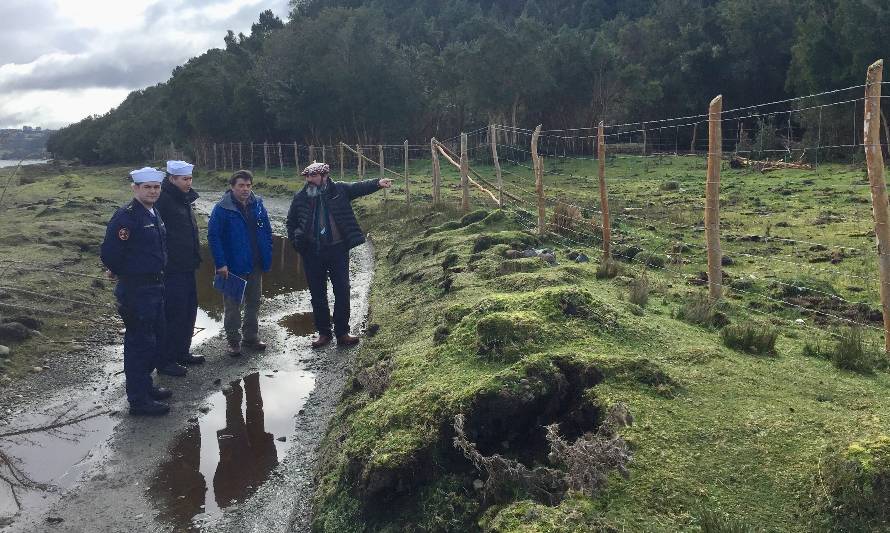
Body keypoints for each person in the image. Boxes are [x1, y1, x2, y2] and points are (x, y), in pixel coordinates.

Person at [285, 162, 392, 348]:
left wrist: (377, 183)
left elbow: (359, 187)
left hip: (337, 250)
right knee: (317, 294)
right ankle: (323, 333)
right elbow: (291, 222)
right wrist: (296, 242)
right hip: (312, 252)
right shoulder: (301, 197)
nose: (309, 180)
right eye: (307, 176)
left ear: (324, 176)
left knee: (342, 290)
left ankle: (342, 332)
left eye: (314, 176)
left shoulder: (339, 190)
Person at [100, 167, 172, 416]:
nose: (153, 191)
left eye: (156, 187)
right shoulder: (126, 217)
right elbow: (110, 253)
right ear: (135, 188)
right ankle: (139, 401)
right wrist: (123, 272)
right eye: (147, 187)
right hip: (136, 290)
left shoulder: (153, 213)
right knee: (139, 344)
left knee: (153, 340)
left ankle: (145, 386)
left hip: (155, 286)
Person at [207, 170, 273, 356]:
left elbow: (267, 230)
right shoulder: (222, 208)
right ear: (232, 187)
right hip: (232, 266)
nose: (245, 189)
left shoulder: (258, 204)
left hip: (255, 263)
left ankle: (250, 337)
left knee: (253, 302)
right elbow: (214, 237)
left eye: (248, 185)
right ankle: (233, 341)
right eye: (241, 186)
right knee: (233, 305)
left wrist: (267, 251)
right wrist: (220, 263)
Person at [154, 160, 205, 376]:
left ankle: (182, 351)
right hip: (171, 268)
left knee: (188, 310)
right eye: (184, 179)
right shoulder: (163, 200)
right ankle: (165, 361)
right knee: (172, 313)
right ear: (172, 179)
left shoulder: (183, 198)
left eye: (190, 178)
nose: (188, 182)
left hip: (187, 265)